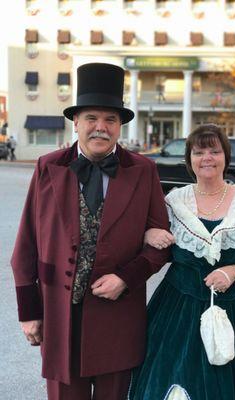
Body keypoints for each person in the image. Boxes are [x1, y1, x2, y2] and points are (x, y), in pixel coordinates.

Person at [10, 63, 170, 400]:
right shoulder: (48, 166)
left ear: (120, 126)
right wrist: (29, 312)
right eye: (92, 119)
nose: (101, 127)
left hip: (118, 316)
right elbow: (25, 245)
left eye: (110, 120)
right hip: (59, 316)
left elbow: (161, 244)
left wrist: (126, 277)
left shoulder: (143, 171)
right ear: (76, 123)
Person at [128, 124, 235, 400]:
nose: (207, 157)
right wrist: (149, 232)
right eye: (199, 152)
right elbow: (149, 243)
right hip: (178, 311)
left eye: (214, 151)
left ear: (226, 158)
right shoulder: (173, 203)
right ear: (189, 160)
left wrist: (234, 272)